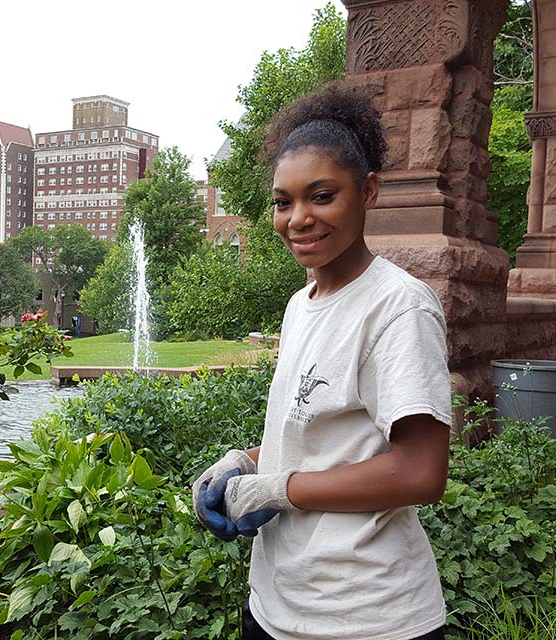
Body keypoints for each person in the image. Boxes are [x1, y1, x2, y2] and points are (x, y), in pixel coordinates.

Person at [192, 84, 453, 640]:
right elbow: (320, 436)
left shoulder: (398, 306)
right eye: (283, 201)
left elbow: (420, 471)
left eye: (322, 195)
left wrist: (279, 489)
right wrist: (246, 462)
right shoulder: (300, 304)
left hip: (366, 615)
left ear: (369, 191)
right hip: (278, 605)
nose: (298, 218)